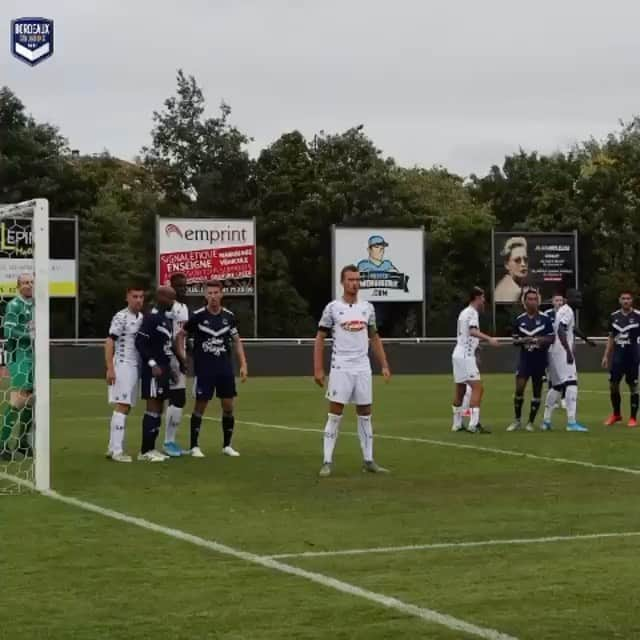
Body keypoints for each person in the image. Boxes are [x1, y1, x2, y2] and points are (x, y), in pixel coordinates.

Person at [314, 264, 391, 477]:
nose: (354, 284)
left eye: (357, 280)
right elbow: (320, 337)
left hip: (363, 367)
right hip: (341, 367)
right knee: (335, 413)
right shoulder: (332, 308)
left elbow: (374, 337)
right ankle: (327, 461)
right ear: (342, 282)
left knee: (365, 413)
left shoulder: (367, 308)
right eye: (350, 280)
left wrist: (384, 364)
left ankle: (369, 460)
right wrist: (318, 368)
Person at [177, 280, 248, 458]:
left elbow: (237, 340)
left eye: (216, 293)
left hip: (224, 369)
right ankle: (194, 446)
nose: (213, 297)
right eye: (210, 293)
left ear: (221, 294)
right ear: (205, 295)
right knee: (200, 405)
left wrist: (243, 364)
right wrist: (182, 356)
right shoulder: (198, 316)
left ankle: (227, 445)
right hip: (205, 370)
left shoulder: (229, 316)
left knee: (228, 406)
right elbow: (181, 335)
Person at [134, 286, 181, 462]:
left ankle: (152, 448)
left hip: (164, 370)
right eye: (170, 298)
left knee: (159, 408)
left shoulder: (165, 320)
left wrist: (171, 371)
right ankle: (145, 451)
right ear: (161, 297)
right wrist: (152, 363)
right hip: (152, 370)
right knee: (152, 408)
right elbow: (140, 342)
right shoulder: (151, 318)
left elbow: (166, 348)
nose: (172, 302)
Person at [104, 285, 145, 462]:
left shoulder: (141, 317)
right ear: (127, 298)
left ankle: (112, 448)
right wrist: (110, 368)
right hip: (122, 365)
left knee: (125, 407)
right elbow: (109, 341)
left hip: (134, 365)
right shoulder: (121, 317)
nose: (138, 300)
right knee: (122, 405)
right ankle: (117, 451)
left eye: (141, 297)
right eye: (134, 296)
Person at [451, 286, 499, 434]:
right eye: (483, 298)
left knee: (460, 389)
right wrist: (489, 339)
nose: (484, 301)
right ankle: (474, 424)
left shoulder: (463, 312)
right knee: (478, 388)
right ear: (477, 298)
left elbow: (466, 334)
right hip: (465, 355)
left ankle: (457, 424)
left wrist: (476, 346)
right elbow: (472, 331)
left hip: (458, 353)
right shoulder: (472, 312)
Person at [506, 288, 554, 432]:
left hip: (539, 360)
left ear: (538, 301)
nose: (532, 302)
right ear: (525, 301)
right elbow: (514, 340)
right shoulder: (519, 320)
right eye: (529, 299)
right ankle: (517, 420)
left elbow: (552, 338)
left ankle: (531, 422)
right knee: (519, 388)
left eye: (535, 299)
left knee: (537, 391)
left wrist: (540, 340)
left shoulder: (545, 319)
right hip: (525, 359)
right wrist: (523, 340)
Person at [542, 289, 588, 432]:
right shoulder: (567, 311)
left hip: (553, 351)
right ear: (569, 299)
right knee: (572, 383)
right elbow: (561, 329)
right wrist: (568, 350)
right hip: (562, 351)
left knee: (556, 386)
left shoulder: (563, 310)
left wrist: (586, 339)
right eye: (577, 297)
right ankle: (571, 422)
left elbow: (571, 328)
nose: (580, 300)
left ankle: (546, 421)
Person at [1, 273, 34, 461]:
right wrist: (30, 335)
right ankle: (2, 443)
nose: (29, 285)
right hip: (19, 355)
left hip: (34, 356)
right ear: (18, 286)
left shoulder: (36, 305)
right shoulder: (14, 305)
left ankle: (22, 443)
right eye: (25, 283)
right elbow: (8, 331)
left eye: (31, 282)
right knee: (18, 400)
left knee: (31, 399)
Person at [161, 272, 190, 457]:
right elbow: (174, 339)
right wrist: (181, 361)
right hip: (172, 358)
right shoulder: (173, 309)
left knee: (176, 399)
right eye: (179, 286)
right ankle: (168, 442)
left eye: (185, 286)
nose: (183, 289)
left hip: (177, 356)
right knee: (176, 398)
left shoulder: (182, 307)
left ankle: (169, 441)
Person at [601, 292, 640, 427]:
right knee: (613, 385)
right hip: (618, 358)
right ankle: (616, 414)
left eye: (628, 298)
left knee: (633, 386)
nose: (626, 301)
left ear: (632, 300)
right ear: (619, 300)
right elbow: (611, 337)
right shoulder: (614, 317)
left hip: (633, 357)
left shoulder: (638, 316)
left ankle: (633, 418)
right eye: (623, 299)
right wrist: (606, 356)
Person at [494, 236, 528, 303]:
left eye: (525, 259)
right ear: (507, 265)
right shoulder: (513, 291)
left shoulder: (507, 282)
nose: (523, 264)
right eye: (517, 260)